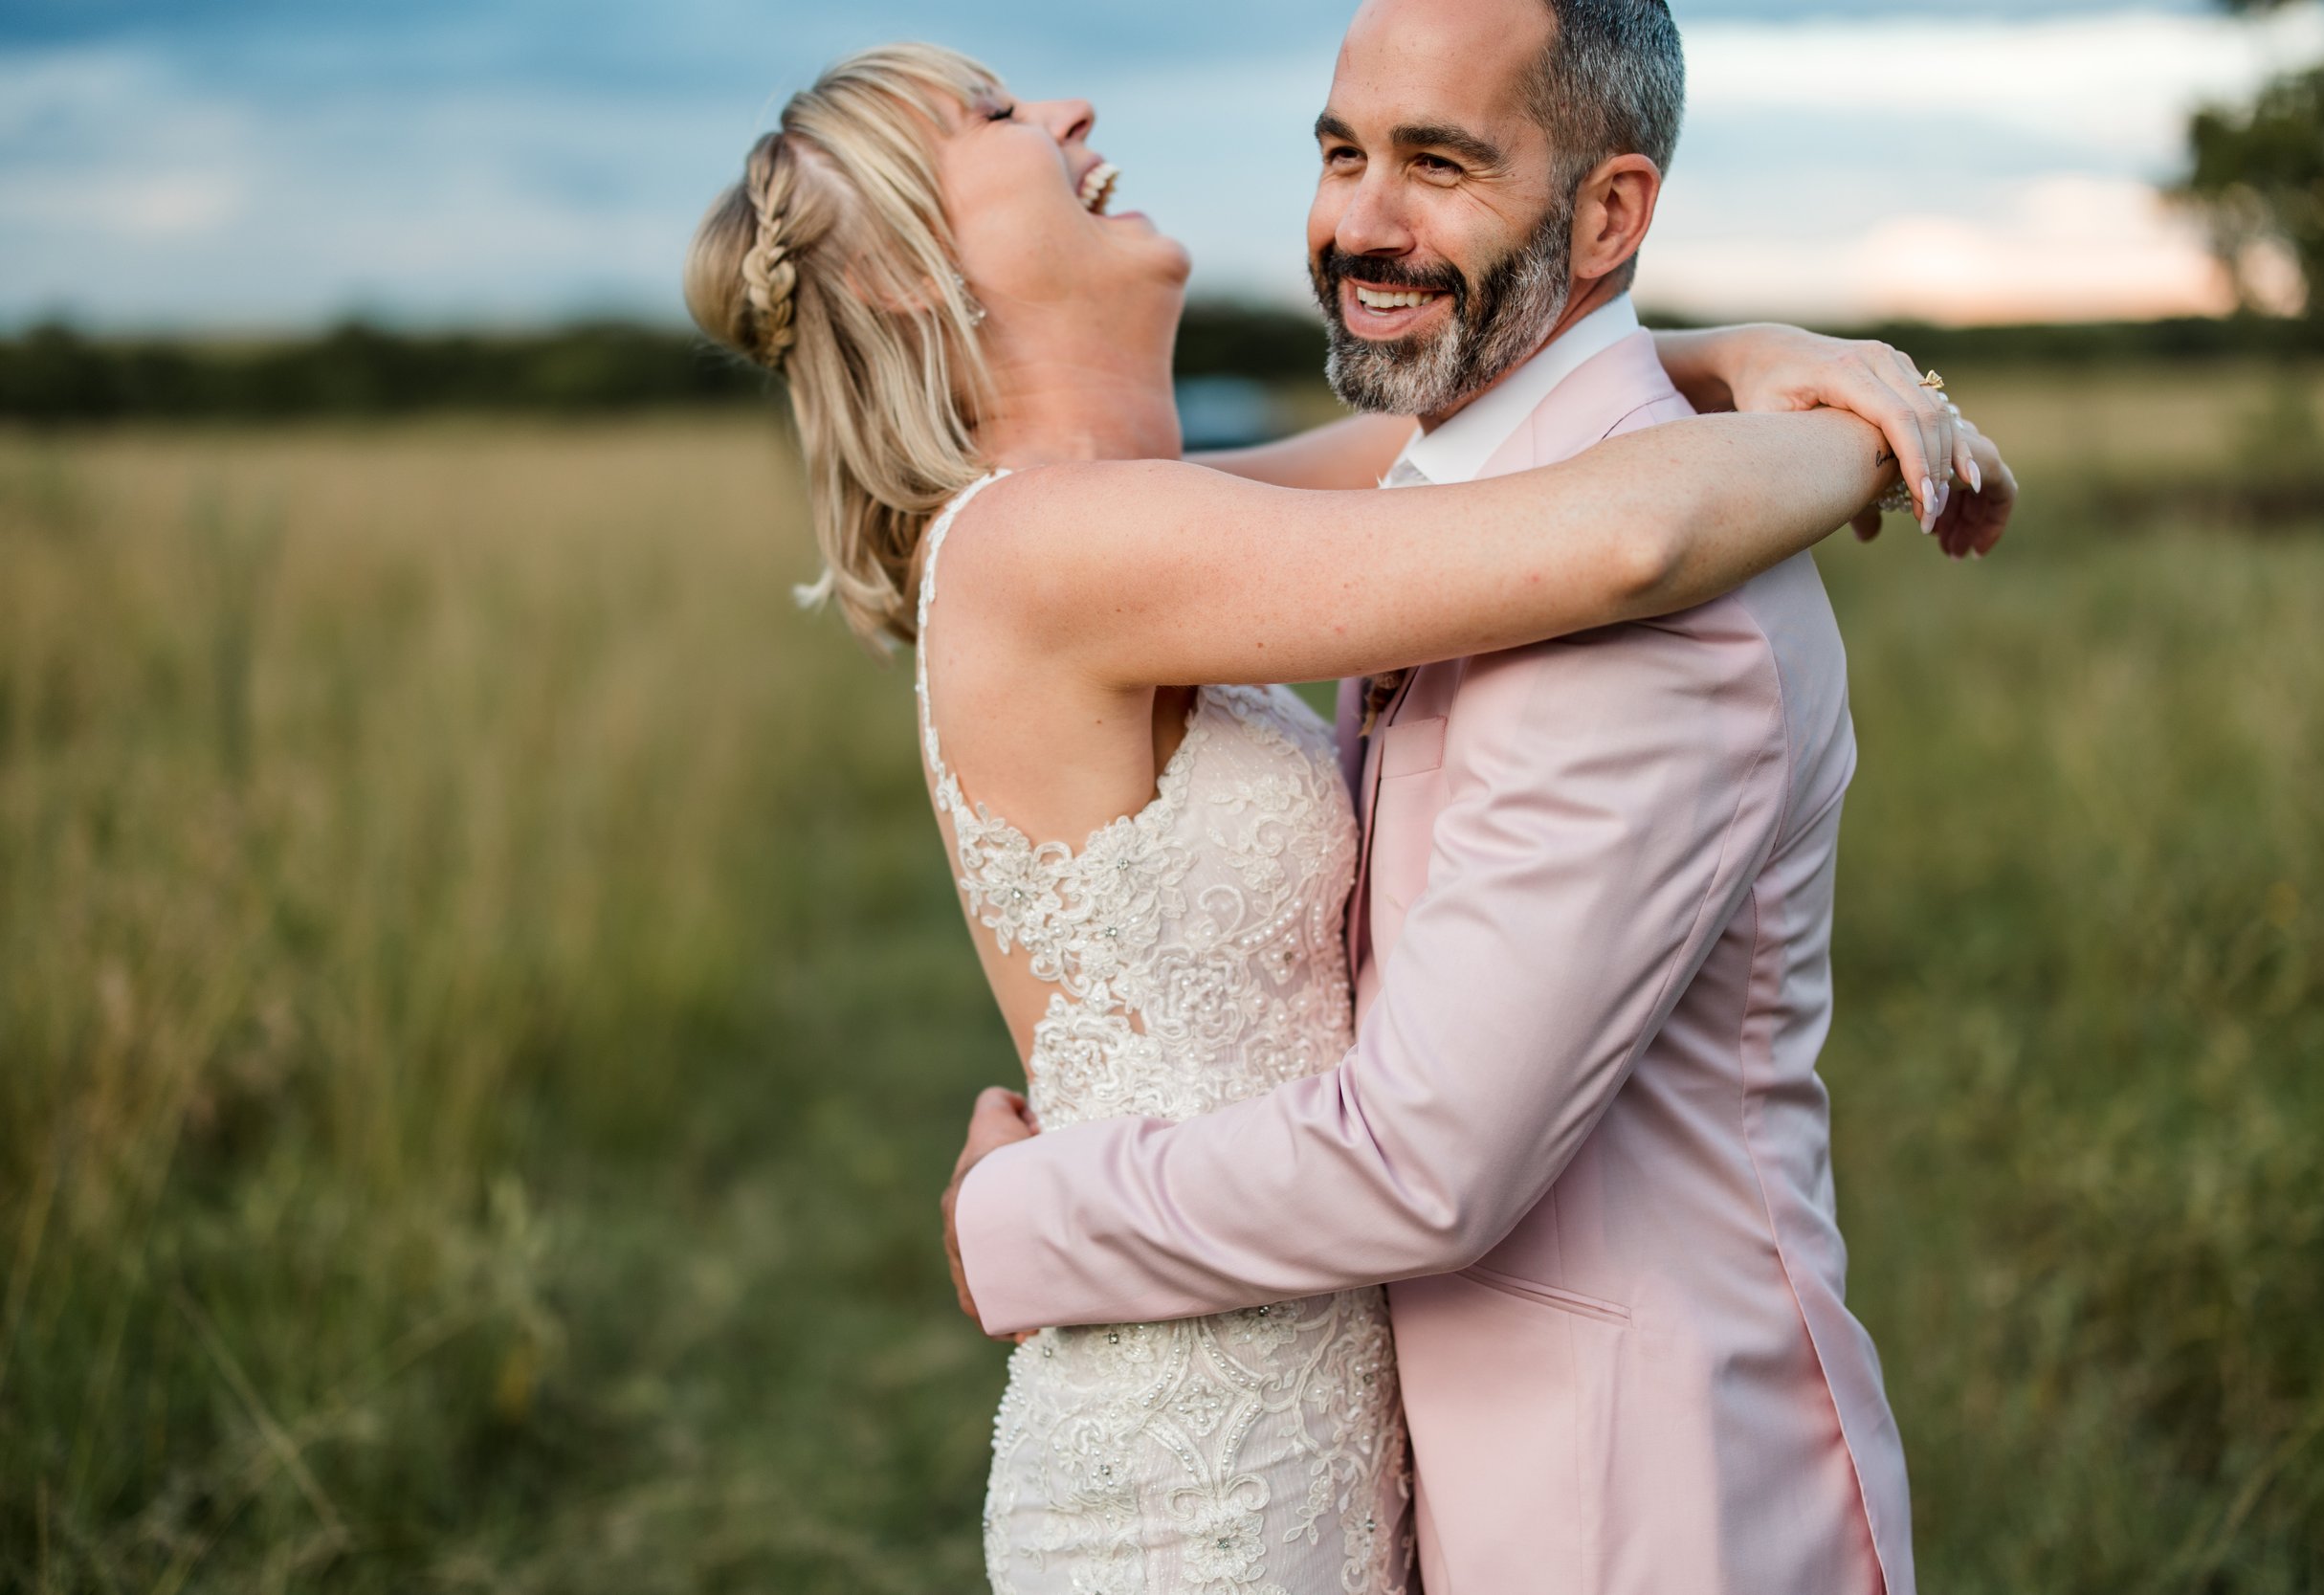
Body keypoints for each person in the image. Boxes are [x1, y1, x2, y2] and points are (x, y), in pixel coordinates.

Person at [686, 21, 2012, 1595]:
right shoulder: (1051, 549)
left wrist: (1729, 355)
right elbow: (1621, 540)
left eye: (1434, 159)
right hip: (1198, 1466)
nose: (1069, 106)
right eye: (990, 114)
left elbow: (1462, 452)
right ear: (912, 269)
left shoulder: (1176, 518)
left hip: (1357, 1417)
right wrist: (1863, 438)